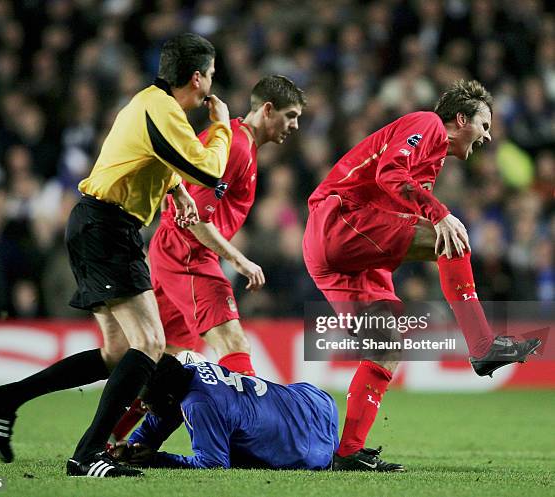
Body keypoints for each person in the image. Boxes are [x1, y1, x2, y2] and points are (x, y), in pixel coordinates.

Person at [0, 32, 232, 478]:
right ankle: (88, 455)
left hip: (98, 222)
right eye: (210, 75)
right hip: (108, 228)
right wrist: (223, 124)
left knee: (117, 351)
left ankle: (2, 400)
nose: (212, 84)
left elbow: (136, 158)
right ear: (197, 78)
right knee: (149, 343)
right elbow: (210, 169)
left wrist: (175, 190)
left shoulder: (149, 104)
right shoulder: (164, 110)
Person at [302, 80, 541, 471]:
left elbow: (398, 194)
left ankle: (347, 453)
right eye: (485, 124)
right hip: (341, 220)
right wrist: (439, 213)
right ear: (461, 118)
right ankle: (481, 344)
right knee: (453, 238)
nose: (489, 135)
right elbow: (390, 175)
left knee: (386, 344)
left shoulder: (433, 159)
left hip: (338, 254)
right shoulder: (427, 123)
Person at [109, 75, 306, 444]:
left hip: (173, 250)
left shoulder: (234, 141)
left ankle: (110, 438)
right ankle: (253, 441)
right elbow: (194, 217)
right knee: (234, 346)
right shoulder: (236, 148)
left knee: (165, 359)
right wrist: (239, 260)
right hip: (188, 254)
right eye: (290, 115)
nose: (294, 125)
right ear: (267, 110)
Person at [109, 354, 340, 470]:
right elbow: (165, 412)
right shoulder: (190, 369)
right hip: (314, 401)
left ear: (168, 399)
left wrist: (156, 459)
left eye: (147, 403)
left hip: (311, 449)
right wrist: (135, 445)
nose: (144, 409)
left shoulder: (198, 404)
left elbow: (213, 464)